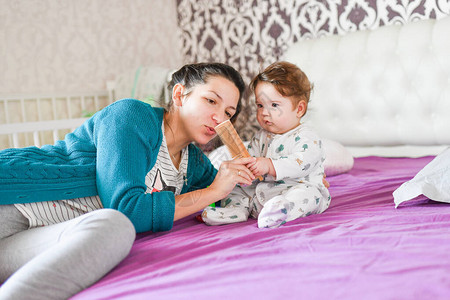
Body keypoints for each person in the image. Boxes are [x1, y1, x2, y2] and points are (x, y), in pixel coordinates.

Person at [0, 62, 255, 300]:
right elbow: (127, 207)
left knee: (114, 229)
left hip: (32, 238)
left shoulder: (195, 163)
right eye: (211, 101)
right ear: (179, 95)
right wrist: (213, 191)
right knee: (120, 220)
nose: (219, 118)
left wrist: (261, 173)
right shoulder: (132, 116)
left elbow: (234, 196)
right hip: (11, 205)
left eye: (228, 113)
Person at [201, 61, 331, 228]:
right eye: (260, 105)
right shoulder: (261, 137)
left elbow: (301, 163)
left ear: (299, 109)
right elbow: (253, 159)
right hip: (261, 193)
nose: (263, 112)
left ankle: (283, 210)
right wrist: (247, 169)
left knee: (310, 195)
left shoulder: (307, 137)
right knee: (234, 188)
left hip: (294, 189)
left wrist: (269, 165)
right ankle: (236, 210)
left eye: (274, 105)